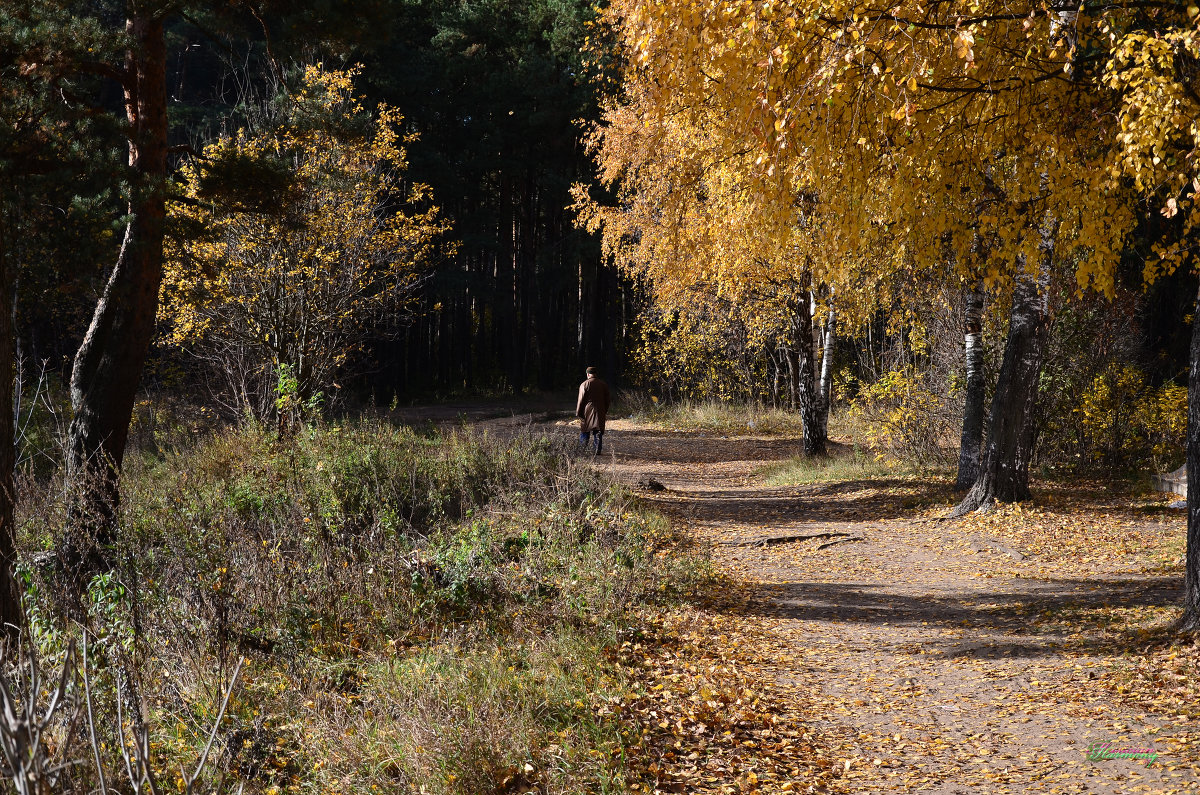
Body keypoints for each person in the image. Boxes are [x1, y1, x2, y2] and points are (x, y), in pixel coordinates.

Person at [576, 366, 610, 455]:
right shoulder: (603, 384)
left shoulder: (584, 384)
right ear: (596, 374)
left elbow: (581, 400)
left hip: (586, 411)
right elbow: (608, 400)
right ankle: (597, 450)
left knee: (585, 430)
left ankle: (582, 449)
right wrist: (604, 410)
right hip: (600, 410)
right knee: (598, 431)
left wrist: (578, 412)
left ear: (588, 374)